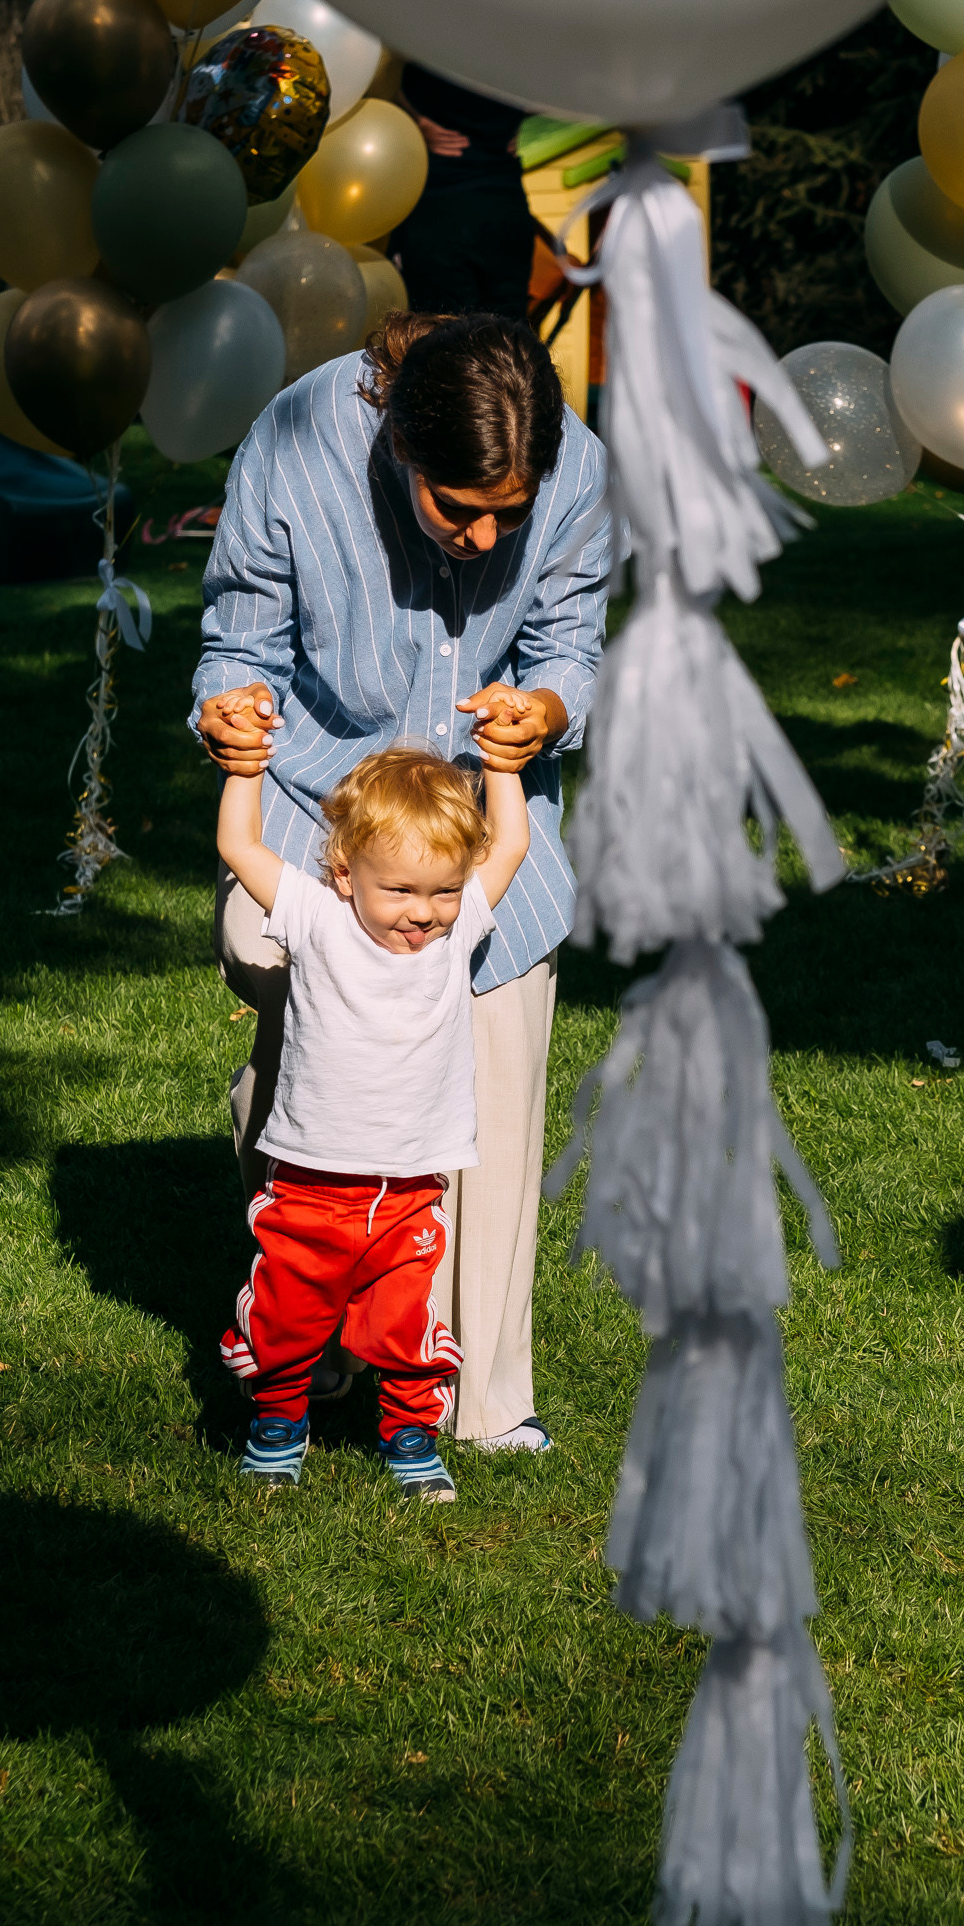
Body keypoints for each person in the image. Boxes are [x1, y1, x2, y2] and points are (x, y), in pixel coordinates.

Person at [194, 308, 607, 1456]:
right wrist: (228, 711)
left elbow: (571, 644)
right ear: (399, 451)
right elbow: (238, 638)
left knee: (494, 1070)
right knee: (315, 1062)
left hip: (478, 820)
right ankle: (308, 1310)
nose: (482, 539)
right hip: (318, 805)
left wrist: (547, 710)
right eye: (456, 508)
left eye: (506, 516)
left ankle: (481, 1402)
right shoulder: (294, 442)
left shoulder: (580, 474)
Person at [216, 743, 530, 1502]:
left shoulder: (454, 935)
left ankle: (411, 1438)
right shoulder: (315, 916)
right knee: (287, 1320)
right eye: (401, 890)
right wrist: (245, 766)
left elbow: (511, 843)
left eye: (443, 890)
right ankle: (279, 1428)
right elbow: (238, 845)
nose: (422, 912)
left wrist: (505, 768)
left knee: (404, 1327)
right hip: (309, 1184)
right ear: (348, 874)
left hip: (408, 1187)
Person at [390, 63, 537, 317]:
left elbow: (385, 81)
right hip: (506, 202)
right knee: (507, 342)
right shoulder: (513, 35)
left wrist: (416, 120)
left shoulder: (431, 33)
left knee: (442, 340)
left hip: (440, 202)